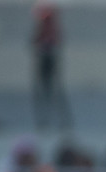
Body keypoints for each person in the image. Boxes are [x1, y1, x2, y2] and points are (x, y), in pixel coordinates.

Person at [31, 1, 71, 131]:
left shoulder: (51, 25)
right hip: (44, 58)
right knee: (45, 91)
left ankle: (60, 120)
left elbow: (56, 41)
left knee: (54, 91)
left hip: (50, 58)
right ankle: (47, 120)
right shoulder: (43, 25)